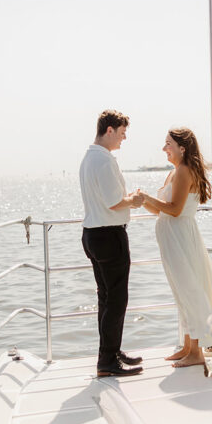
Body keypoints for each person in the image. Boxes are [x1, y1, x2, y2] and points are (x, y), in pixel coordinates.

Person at [139, 127, 212, 368]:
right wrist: (142, 201)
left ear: (182, 148)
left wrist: (149, 198)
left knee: (190, 290)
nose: (164, 148)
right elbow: (161, 210)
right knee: (181, 291)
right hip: (171, 237)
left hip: (181, 237)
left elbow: (174, 209)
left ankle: (197, 352)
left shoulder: (184, 172)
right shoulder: (173, 173)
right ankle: (186, 345)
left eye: (168, 144)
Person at [78, 109, 145, 377]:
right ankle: (107, 360)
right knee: (116, 300)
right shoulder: (104, 161)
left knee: (107, 299)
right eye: (122, 133)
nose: (123, 139)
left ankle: (110, 352)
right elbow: (114, 202)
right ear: (109, 130)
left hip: (93, 233)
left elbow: (107, 198)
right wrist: (135, 200)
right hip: (108, 235)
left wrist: (125, 198)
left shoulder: (88, 158)